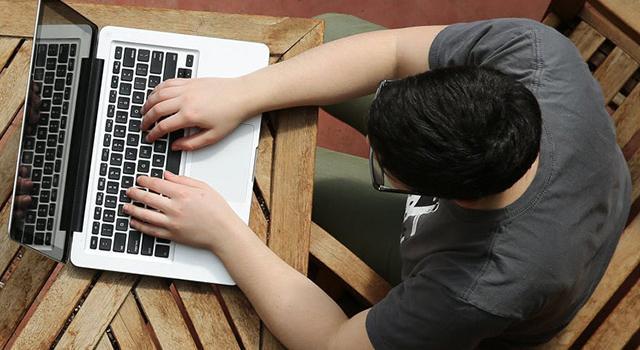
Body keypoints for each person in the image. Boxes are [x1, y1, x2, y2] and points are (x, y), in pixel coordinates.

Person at [123, 13, 631, 349]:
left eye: (381, 166)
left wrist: (222, 231)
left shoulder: (474, 286)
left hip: (530, 284)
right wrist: (242, 93)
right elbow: (392, 52)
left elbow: (332, 342)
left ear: (445, 194)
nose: (370, 153)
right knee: (338, 33)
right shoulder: (534, 53)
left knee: (270, 190)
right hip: (572, 202)